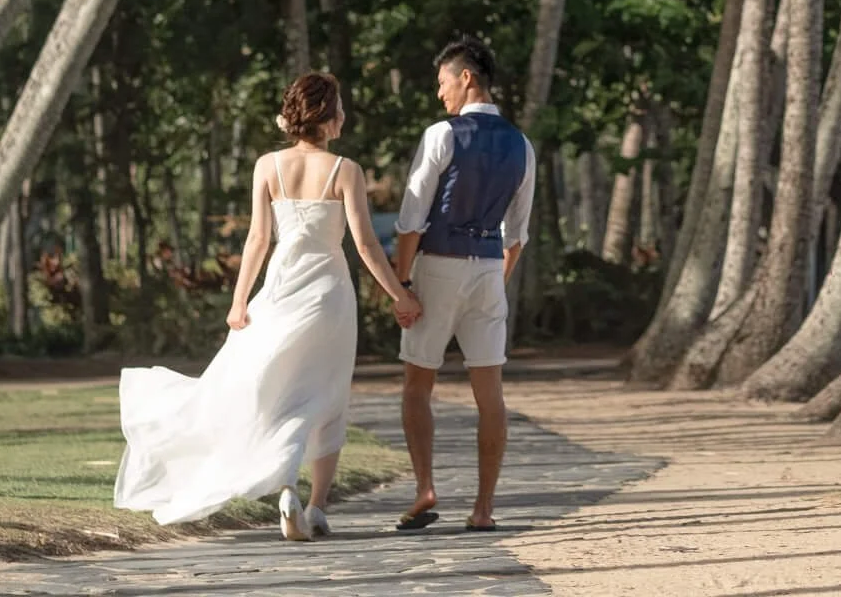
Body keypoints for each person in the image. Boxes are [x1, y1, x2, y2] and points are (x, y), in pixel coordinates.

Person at [115, 72, 421, 541]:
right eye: (339, 106)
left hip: (280, 289)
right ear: (327, 115)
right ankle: (316, 506)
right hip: (329, 295)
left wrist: (239, 302)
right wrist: (400, 295)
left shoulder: (267, 166)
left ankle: (286, 488)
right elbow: (364, 244)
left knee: (278, 392)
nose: (344, 115)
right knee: (328, 396)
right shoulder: (346, 170)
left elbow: (258, 239)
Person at [390, 35, 534, 533]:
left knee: (416, 386)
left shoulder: (442, 135)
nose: (440, 93)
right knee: (489, 391)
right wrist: (495, 280)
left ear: (466, 78)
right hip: (489, 271)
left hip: (438, 264)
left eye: (442, 82)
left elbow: (411, 220)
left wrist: (401, 284)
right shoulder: (523, 144)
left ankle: (425, 486)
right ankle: (483, 509)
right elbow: (517, 234)